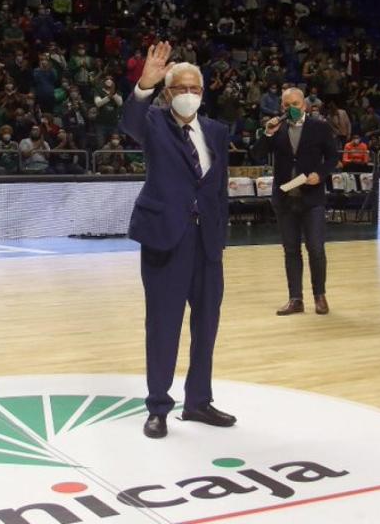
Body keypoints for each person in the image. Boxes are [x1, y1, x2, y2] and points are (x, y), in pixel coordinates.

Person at [120, 42, 233, 439]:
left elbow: (218, 189)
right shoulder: (154, 122)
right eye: (181, 88)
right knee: (163, 326)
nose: (189, 94)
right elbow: (129, 122)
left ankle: (199, 401)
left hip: (207, 244)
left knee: (207, 326)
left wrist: (221, 238)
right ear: (168, 93)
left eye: (196, 89)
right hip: (166, 240)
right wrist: (143, 85)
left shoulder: (216, 132)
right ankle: (158, 407)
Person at [255, 87, 338, 316]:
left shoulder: (319, 127)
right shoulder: (277, 127)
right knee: (291, 250)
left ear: (305, 105)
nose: (291, 108)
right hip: (285, 199)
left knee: (316, 249)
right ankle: (295, 299)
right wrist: (268, 133)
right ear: (282, 106)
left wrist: (320, 174)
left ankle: (319, 296)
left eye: (296, 104)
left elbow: (333, 157)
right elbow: (257, 154)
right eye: (287, 105)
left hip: (312, 199)